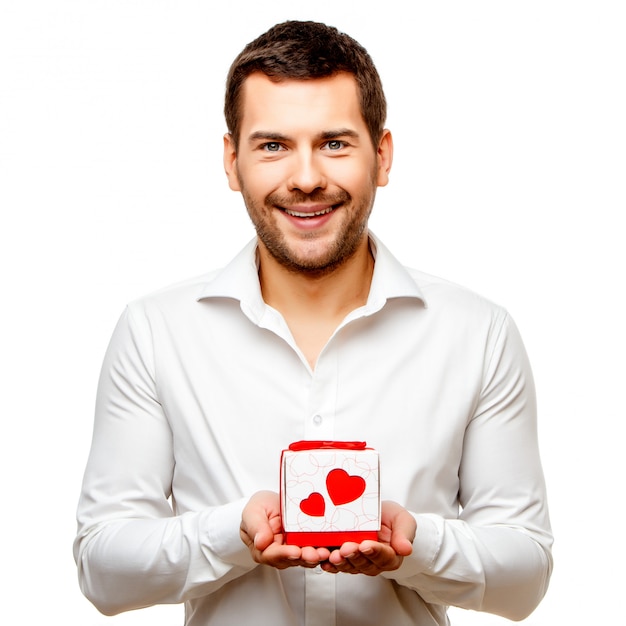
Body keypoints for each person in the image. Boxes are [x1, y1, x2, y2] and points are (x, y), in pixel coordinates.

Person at [74, 20, 553, 626]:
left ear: (381, 156)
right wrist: (232, 535)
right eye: (273, 145)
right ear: (232, 160)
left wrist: (415, 546)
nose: (305, 177)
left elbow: (526, 578)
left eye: (334, 143)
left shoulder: (479, 334)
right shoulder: (153, 332)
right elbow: (102, 570)